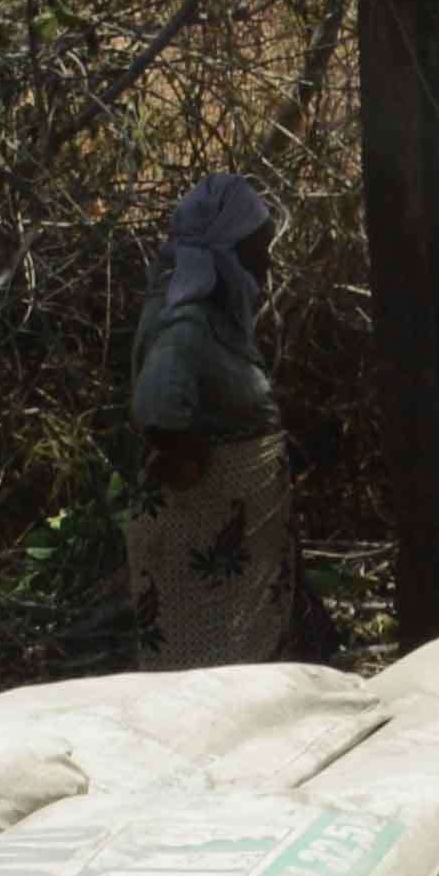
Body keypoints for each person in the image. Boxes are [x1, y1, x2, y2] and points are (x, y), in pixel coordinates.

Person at [126, 174, 294, 666]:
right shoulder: (188, 319)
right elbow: (158, 402)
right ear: (228, 247)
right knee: (205, 678)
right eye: (257, 246)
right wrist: (188, 457)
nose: (266, 259)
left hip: (233, 557)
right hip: (201, 538)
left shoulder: (210, 313)